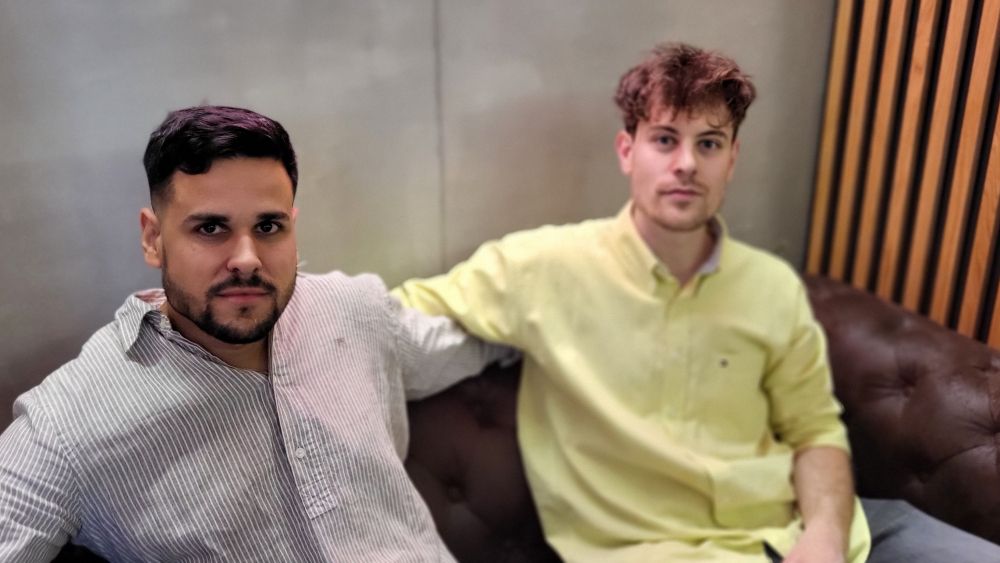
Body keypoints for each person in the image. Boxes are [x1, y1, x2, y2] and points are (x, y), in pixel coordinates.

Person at [393, 43, 1000, 562]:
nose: (686, 164)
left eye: (709, 143)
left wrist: (823, 535)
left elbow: (815, 430)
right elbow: (376, 320)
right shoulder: (539, 269)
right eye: (665, 139)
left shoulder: (771, 286)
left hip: (829, 532)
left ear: (732, 159)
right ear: (627, 150)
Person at [0, 105, 510, 562]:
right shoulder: (69, 422)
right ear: (153, 239)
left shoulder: (355, 310)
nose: (246, 259)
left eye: (268, 227)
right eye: (210, 228)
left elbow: (485, 338)